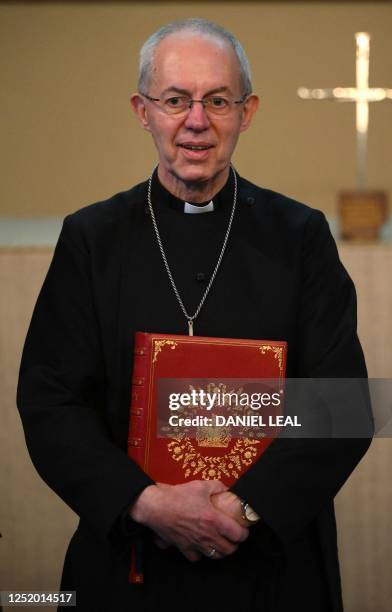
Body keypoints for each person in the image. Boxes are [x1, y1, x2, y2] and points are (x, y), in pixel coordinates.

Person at [17, 18, 372, 612]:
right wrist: (147, 503)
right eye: (176, 100)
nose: (197, 122)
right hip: (129, 561)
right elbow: (50, 401)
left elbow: (343, 403)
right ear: (143, 110)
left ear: (247, 111)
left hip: (268, 566)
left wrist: (239, 509)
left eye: (218, 100)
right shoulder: (92, 239)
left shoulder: (301, 236)